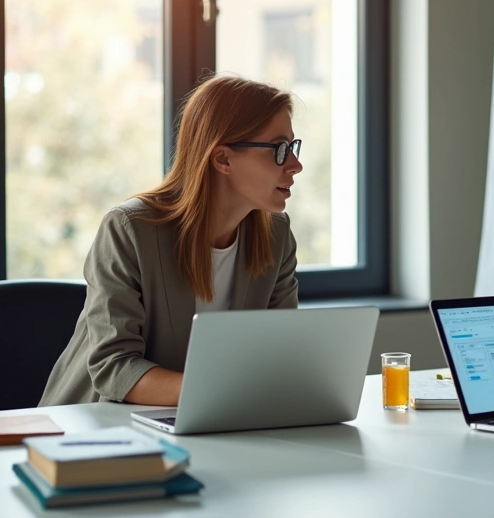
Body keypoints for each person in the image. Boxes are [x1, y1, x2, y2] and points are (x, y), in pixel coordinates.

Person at [40, 75, 302, 407]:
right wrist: (221, 393)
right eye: (279, 149)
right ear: (222, 159)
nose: (296, 165)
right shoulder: (129, 230)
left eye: (293, 147)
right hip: (96, 427)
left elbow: (279, 354)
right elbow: (113, 367)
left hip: (209, 422)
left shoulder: (276, 236)